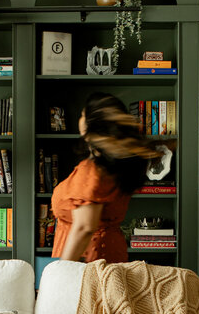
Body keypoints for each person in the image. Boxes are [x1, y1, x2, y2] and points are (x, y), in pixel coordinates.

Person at [50, 93, 162, 263]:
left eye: (82, 115)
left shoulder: (92, 170)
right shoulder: (115, 167)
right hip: (109, 254)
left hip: (87, 261)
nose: (79, 119)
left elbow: (84, 227)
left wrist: (63, 270)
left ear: (92, 123)